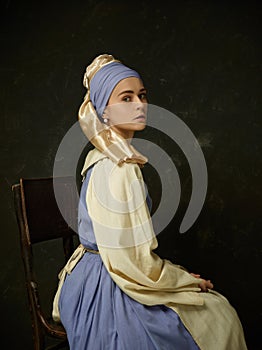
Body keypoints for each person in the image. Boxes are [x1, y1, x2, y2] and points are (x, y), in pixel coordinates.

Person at [52, 54, 247, 349]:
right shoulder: (120, 167)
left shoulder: (99, 159)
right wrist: (183, 281)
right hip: (106, 287)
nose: (140, 104)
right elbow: (129, 262)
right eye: (126, 98)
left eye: (142, 96)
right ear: (103, 110)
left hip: (83, 279)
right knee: (220, 316)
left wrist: (176, 276)